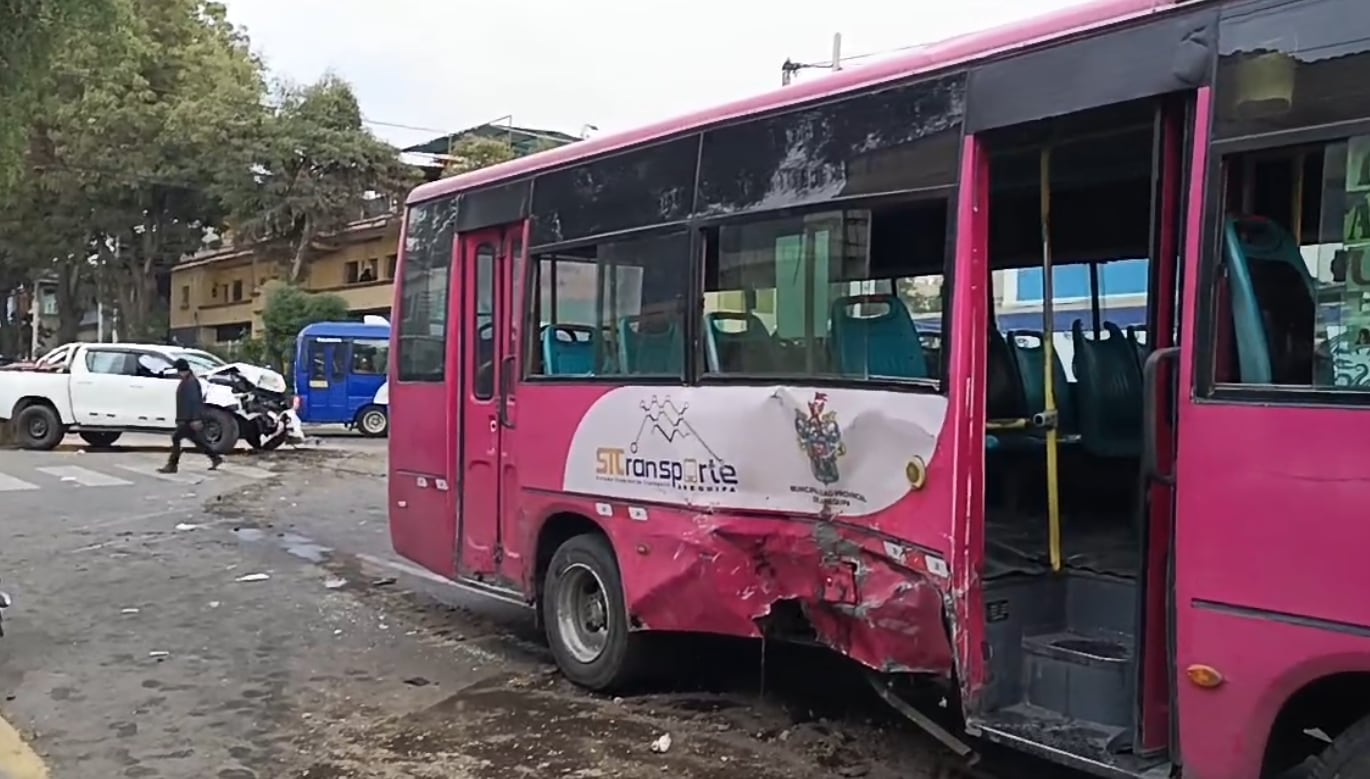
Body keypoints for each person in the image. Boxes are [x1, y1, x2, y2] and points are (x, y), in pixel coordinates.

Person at [159, 358, 223, 473]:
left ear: (181, 370)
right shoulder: (187, 380)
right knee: (197, 440)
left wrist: (195, 419)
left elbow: (195, 401)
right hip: (186, 418)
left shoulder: (191, 382)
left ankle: (172, 465)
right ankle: (215, 458)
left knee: (176, 438)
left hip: (189, 419)